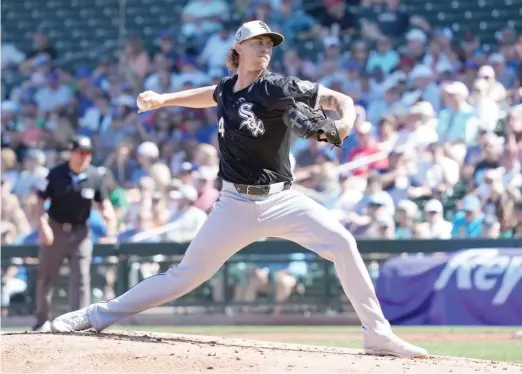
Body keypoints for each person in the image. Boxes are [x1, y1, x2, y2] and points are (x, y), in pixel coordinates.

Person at [50, 21, 427, 358]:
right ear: (238, 49)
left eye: (269, 44)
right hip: (233, 203)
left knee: (343, 244)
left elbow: (337, 99)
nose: (265, 49)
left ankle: (377, 334)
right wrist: (165, 100)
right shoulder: (228, 90)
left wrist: (345, 122)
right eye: (257, 43)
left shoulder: (278, 86)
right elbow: (210, 93)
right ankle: (95, 315)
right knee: (184, 276)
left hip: (283, 200)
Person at [33, 135, 116, 331]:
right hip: (56, 229)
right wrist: (42, 225)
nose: (84, 157)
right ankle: (42, 320)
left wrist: (109, 217)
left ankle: (77, 322)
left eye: (87, 153)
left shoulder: (94, 176)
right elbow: (39, 201)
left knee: (81, 277)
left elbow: (103, 202)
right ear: (71, 153)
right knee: (46, 275)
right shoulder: (55, 174)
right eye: (80, 153)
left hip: (81, 232)